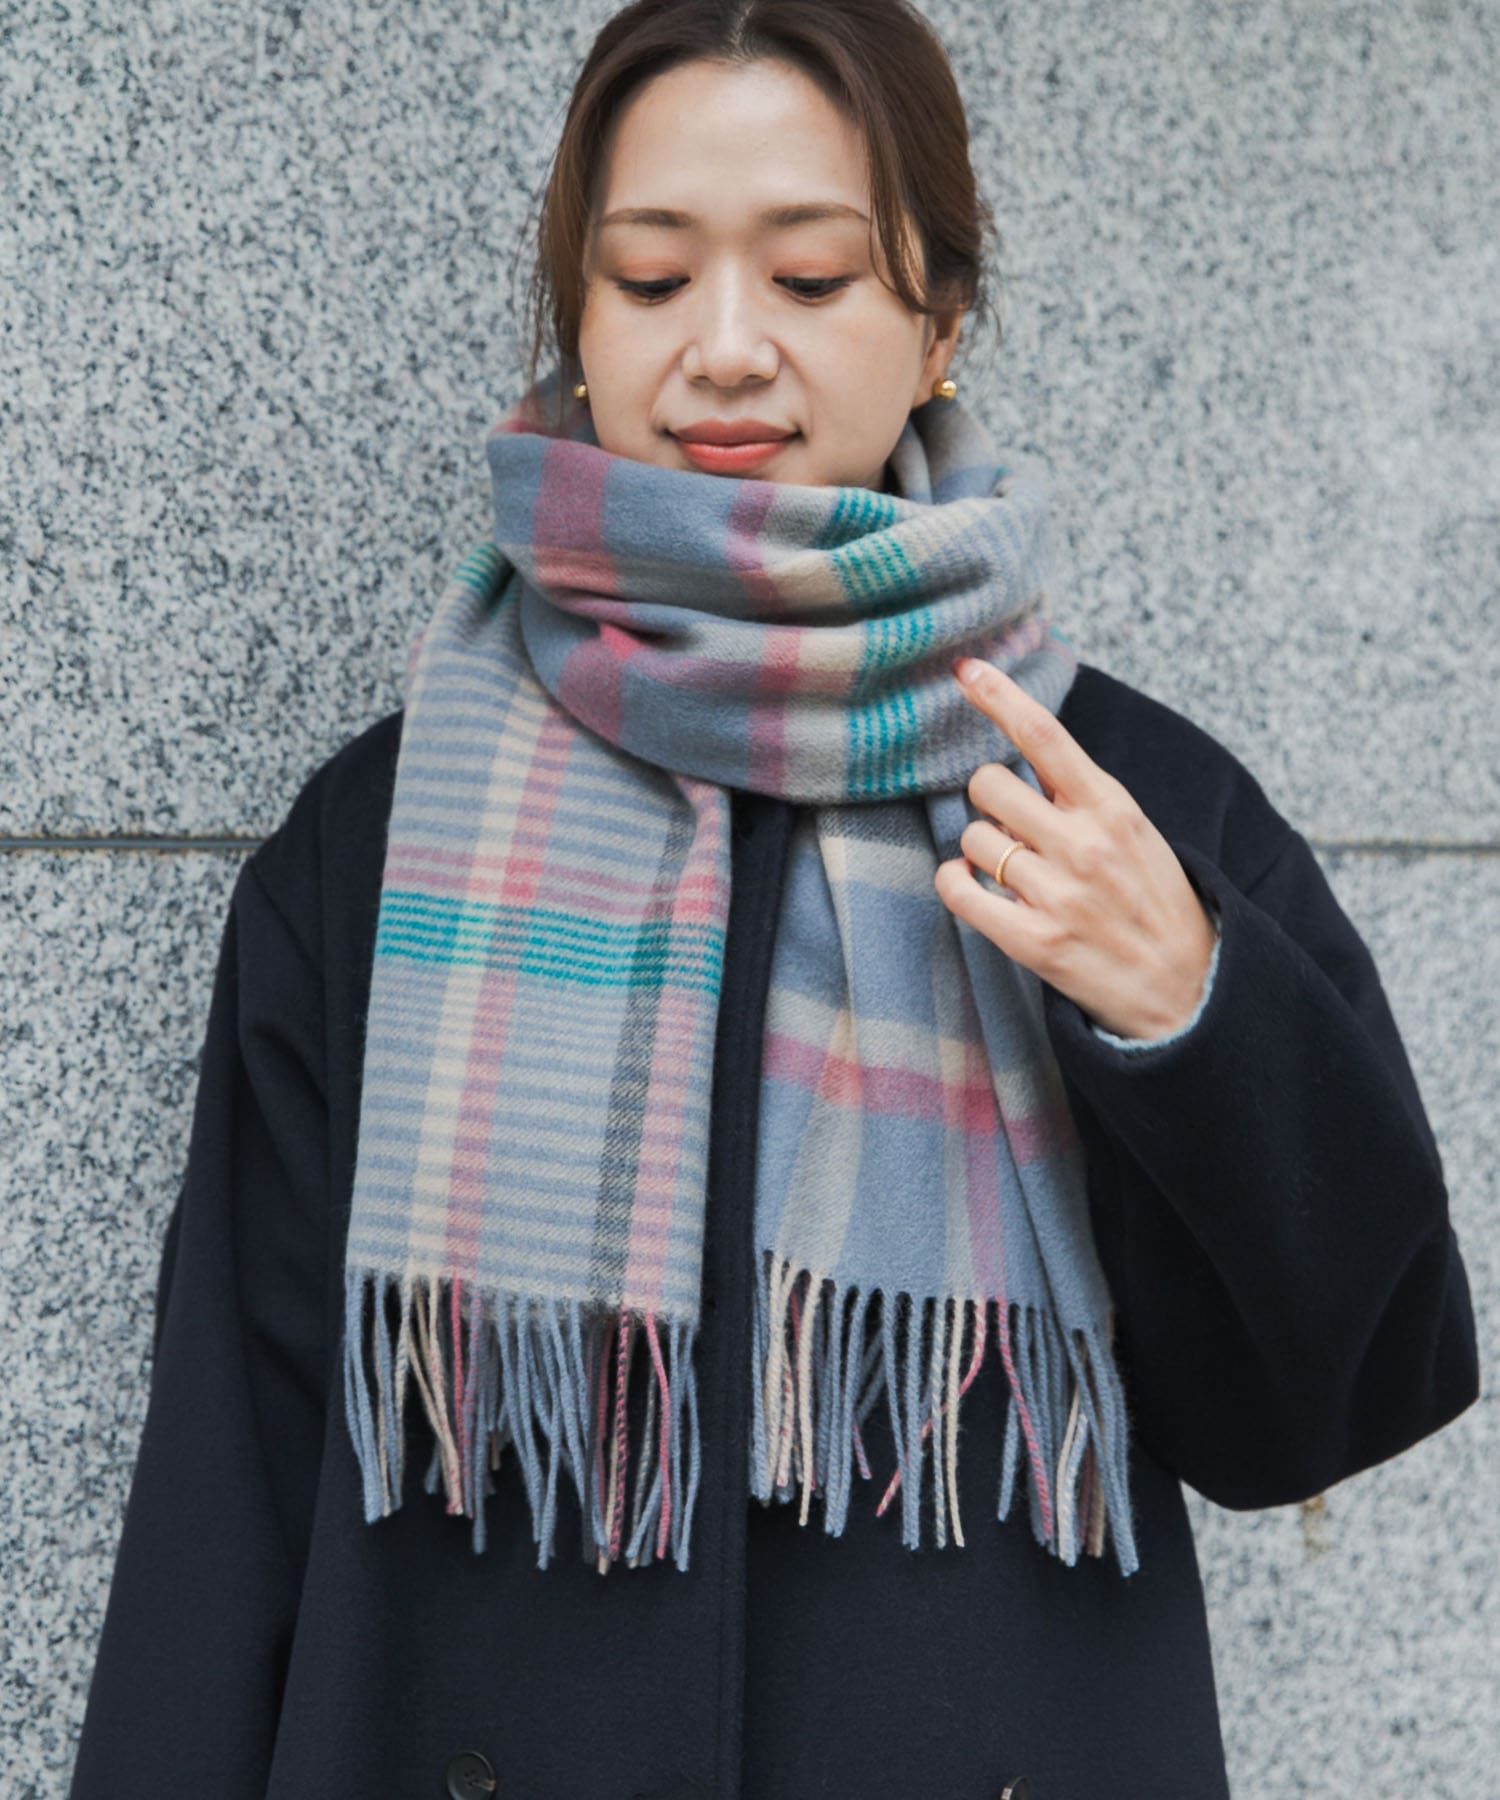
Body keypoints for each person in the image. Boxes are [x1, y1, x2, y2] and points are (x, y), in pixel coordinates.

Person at [69, 3, 1479, 1796]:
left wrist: (1189, 1013)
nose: (724, 349)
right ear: (580, 317)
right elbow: (232, 1480)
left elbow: (1332, 1405)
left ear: (939, 321)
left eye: (811, 279)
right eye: (651, 279)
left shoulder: (1113, 805)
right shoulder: (383, 842)